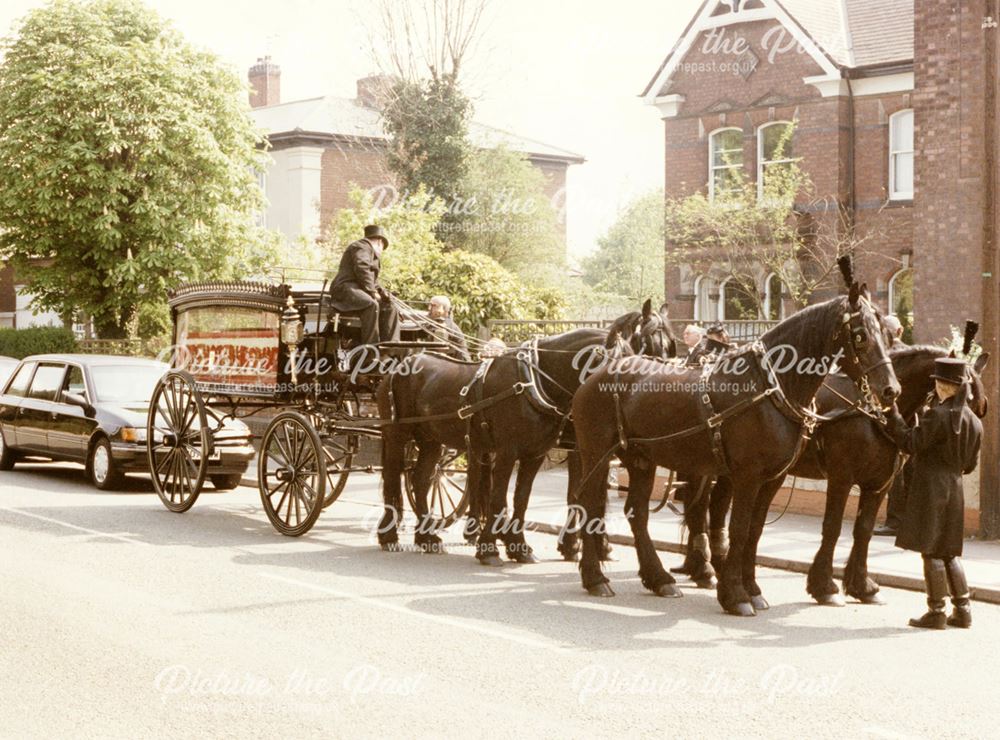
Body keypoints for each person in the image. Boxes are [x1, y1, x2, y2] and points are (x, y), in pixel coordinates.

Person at [885, 357, 982, 629]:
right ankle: (963, 610)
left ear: (942, 385)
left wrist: (892, 415)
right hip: (955, 487)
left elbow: (910, 443)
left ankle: (936, 611)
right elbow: (970, 465)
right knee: (950, 551)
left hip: (930, 486)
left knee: (930, 550)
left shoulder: (937, 415)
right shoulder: (974, 421)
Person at [328, 224, 399, 347]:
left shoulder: (369, 252)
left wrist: (383, 292)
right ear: (379, 242)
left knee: (390, 307)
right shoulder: (361, 246)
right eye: (383, 247)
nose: (382, 252)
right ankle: (372, 348)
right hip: (345, 288)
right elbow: (362, 268)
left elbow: (372, 279)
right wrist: (372, 292)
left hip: (357, 289)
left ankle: (391, 346)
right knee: (371, 304)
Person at [426, 295, 470, 360]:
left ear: (442, 309)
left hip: (457, 363)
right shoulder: (433, 322)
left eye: (433, 306)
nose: (429, 308)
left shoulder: (446, 324)